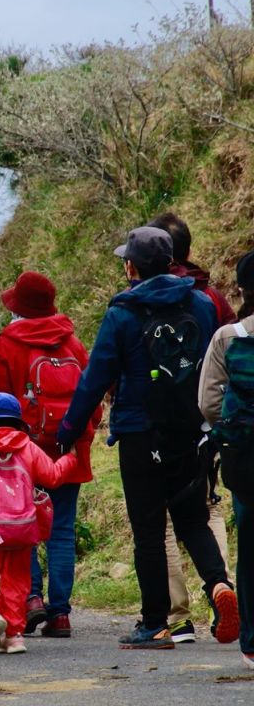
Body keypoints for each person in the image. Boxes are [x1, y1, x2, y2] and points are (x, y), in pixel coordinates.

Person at [57, 226, 238, 649]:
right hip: (192, 431)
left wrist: (69, 429)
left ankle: (155, 622)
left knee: (149, 530)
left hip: (141, 433)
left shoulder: (122, 313)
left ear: (130, 266)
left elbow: (95, 377)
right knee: (193, 518)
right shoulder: (200, 303)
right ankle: (218, 586)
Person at [0, 271, 100, 639]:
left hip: (24, 455)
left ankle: (32, 598)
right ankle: (61, 614)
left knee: (25, 528)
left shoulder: (6, 345)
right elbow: (92, 397)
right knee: (62, 531)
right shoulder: (73, 344)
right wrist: (82, 437)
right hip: (70, 453)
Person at [146, 212, 234, 642]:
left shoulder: (140, 297)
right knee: (208, 507)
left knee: (159, 520)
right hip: (207, 422)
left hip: (158, 425)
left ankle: (176, 614)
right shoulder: (211, 298)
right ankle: (224, 588)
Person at [0, 393, 78, 654]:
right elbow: (52, 476)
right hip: (23, 526)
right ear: (17, 421)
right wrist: (71, 458)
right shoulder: (27, 446)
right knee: (17, 579)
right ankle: (15, 635)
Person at [198, 249, 254, 670]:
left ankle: (251, 642)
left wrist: (230, 431)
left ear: (240, 290)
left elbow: (208, 401)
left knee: (249, 546)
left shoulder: (229, 336)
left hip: (244, 455)